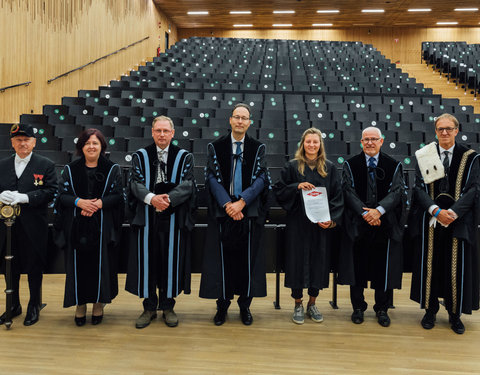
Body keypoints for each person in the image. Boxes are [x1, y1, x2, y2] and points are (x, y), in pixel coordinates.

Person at [200, 103, 270, 326]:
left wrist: (242, 202)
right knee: (222, 263)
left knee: (246, 262)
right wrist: (227, 204)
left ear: (250, 122)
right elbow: (211, 177)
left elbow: (262, 179)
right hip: (223, 213)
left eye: (244, 118)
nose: (240, 121)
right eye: (237, 117)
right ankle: (222, 307)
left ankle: (244, 306)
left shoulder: (258, 148)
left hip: (247, 212)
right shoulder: (216, 146)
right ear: (230, 120)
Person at [409, 113, 480, 334]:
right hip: (432, 221)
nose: (445, 133)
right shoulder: (426, 154)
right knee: (432, 265)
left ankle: (454, 313)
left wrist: (453, 213)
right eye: (440, 129)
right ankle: (430, 310)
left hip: (458, 222)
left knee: (454, 266)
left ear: (457, 131)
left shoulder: (471, 157)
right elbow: (419, 188)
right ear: (436, 131)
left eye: (449, 129)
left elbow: (473, 190)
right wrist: (436, 210)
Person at [126, 116, 196, 329]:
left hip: (173, 218)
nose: (162, 135)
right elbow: (135, 183)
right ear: (152, 132)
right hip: (147, 217)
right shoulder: (140, 156)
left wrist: (168, 200)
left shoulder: (185, 157)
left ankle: (168, 306)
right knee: (149, 262)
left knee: (170, 262)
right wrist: (151, 198)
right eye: (158, 131)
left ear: (173, 133)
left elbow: (188, 184)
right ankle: (149, 307)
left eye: (166, 131)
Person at [274, 128, 343, 324]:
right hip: (298, 225)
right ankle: (298, 303)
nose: (312, 145)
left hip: (320, 226)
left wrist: (331, 220)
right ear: (302, 144)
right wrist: (296, 186)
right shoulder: (292, 167)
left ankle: (312, 303)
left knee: (318, 264)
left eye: (315, 142)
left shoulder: (329, 168)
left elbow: (338, 197)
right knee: (296, 263)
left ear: (320, 145)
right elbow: (279, 191)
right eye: (308, 142)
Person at [340, 126, 407, 327]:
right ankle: (358, 307)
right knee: (357, 267)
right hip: (358, 224)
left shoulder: (393, 165)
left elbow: (397, 192)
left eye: (373, 139)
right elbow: (348, 191)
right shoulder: (350, 165)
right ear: (361, 142)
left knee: (382, 268)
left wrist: (378, 211)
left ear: (381, 141)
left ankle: (382, 309)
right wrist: (365, 213)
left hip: (384, 224)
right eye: (366, 139)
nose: (369, 142)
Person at [56, 128, 123, 326]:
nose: (91, 147)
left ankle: (98, 303)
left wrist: (98, 204)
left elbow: (119, 196)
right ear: (81, 147)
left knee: (100, 266)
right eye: (87, 143)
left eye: (95, 143)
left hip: (102, 226)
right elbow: (61, 196)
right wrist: (80, 202)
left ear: (102, 146)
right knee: (78, 267)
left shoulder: (112, 169)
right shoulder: (70, 169)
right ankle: (80, 304)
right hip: (77, 227)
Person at [0, 123, 56, 326]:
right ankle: (13, 305)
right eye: (18, 140)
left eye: (26, 140)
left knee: (34, 266)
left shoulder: (45, 164)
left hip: (33, 227)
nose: (22, 144)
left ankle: (34, 305)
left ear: (34, 142)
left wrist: (25, 197)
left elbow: (51, 191)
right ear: (12, 143)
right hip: (7, 227)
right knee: (9, 267)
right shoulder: (2, 165)